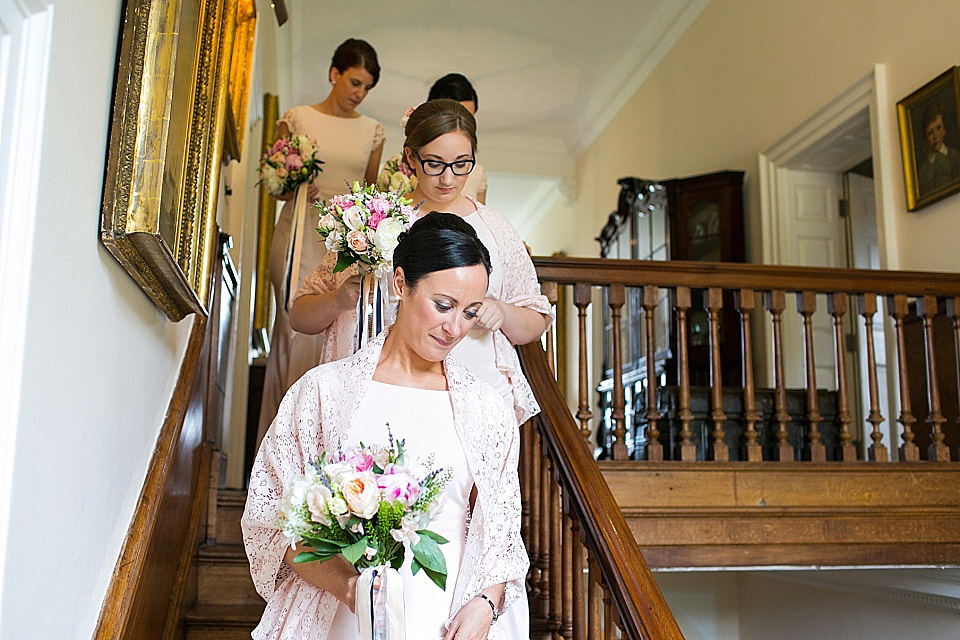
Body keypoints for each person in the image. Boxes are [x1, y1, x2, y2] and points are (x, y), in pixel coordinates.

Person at [242, 213, 528, 640]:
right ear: (400, 285)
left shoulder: (487, 411)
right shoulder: (323, 393)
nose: (454, 328)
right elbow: (273, 518)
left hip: (448, 621)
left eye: (470, 313)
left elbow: (503, 535)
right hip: (344, 620)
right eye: (443, 305)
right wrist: (351, 589)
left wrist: (485, 603)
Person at [258, 38, 385, 443]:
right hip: (299, 230)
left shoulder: (373, 132)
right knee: (295, 324)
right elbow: (273, 185)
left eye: (366, 87)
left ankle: (320, 437)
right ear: (334, 74)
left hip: (346, 243)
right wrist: (295, 186)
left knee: (337, 324)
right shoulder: (296, 118)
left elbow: (368, 193)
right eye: (354, 82)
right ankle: (281, 442)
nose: (359, 94)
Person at [385, 73, 487, 203]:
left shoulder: (477, 173)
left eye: (467, 116)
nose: (448, 180)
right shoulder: (396, 165)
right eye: (433, 164)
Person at [917, 102, 960, 197]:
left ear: (944, 129)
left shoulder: (956, 156)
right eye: (930, 133)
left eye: (938, 128)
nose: (935, 136)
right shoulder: (923, 172)